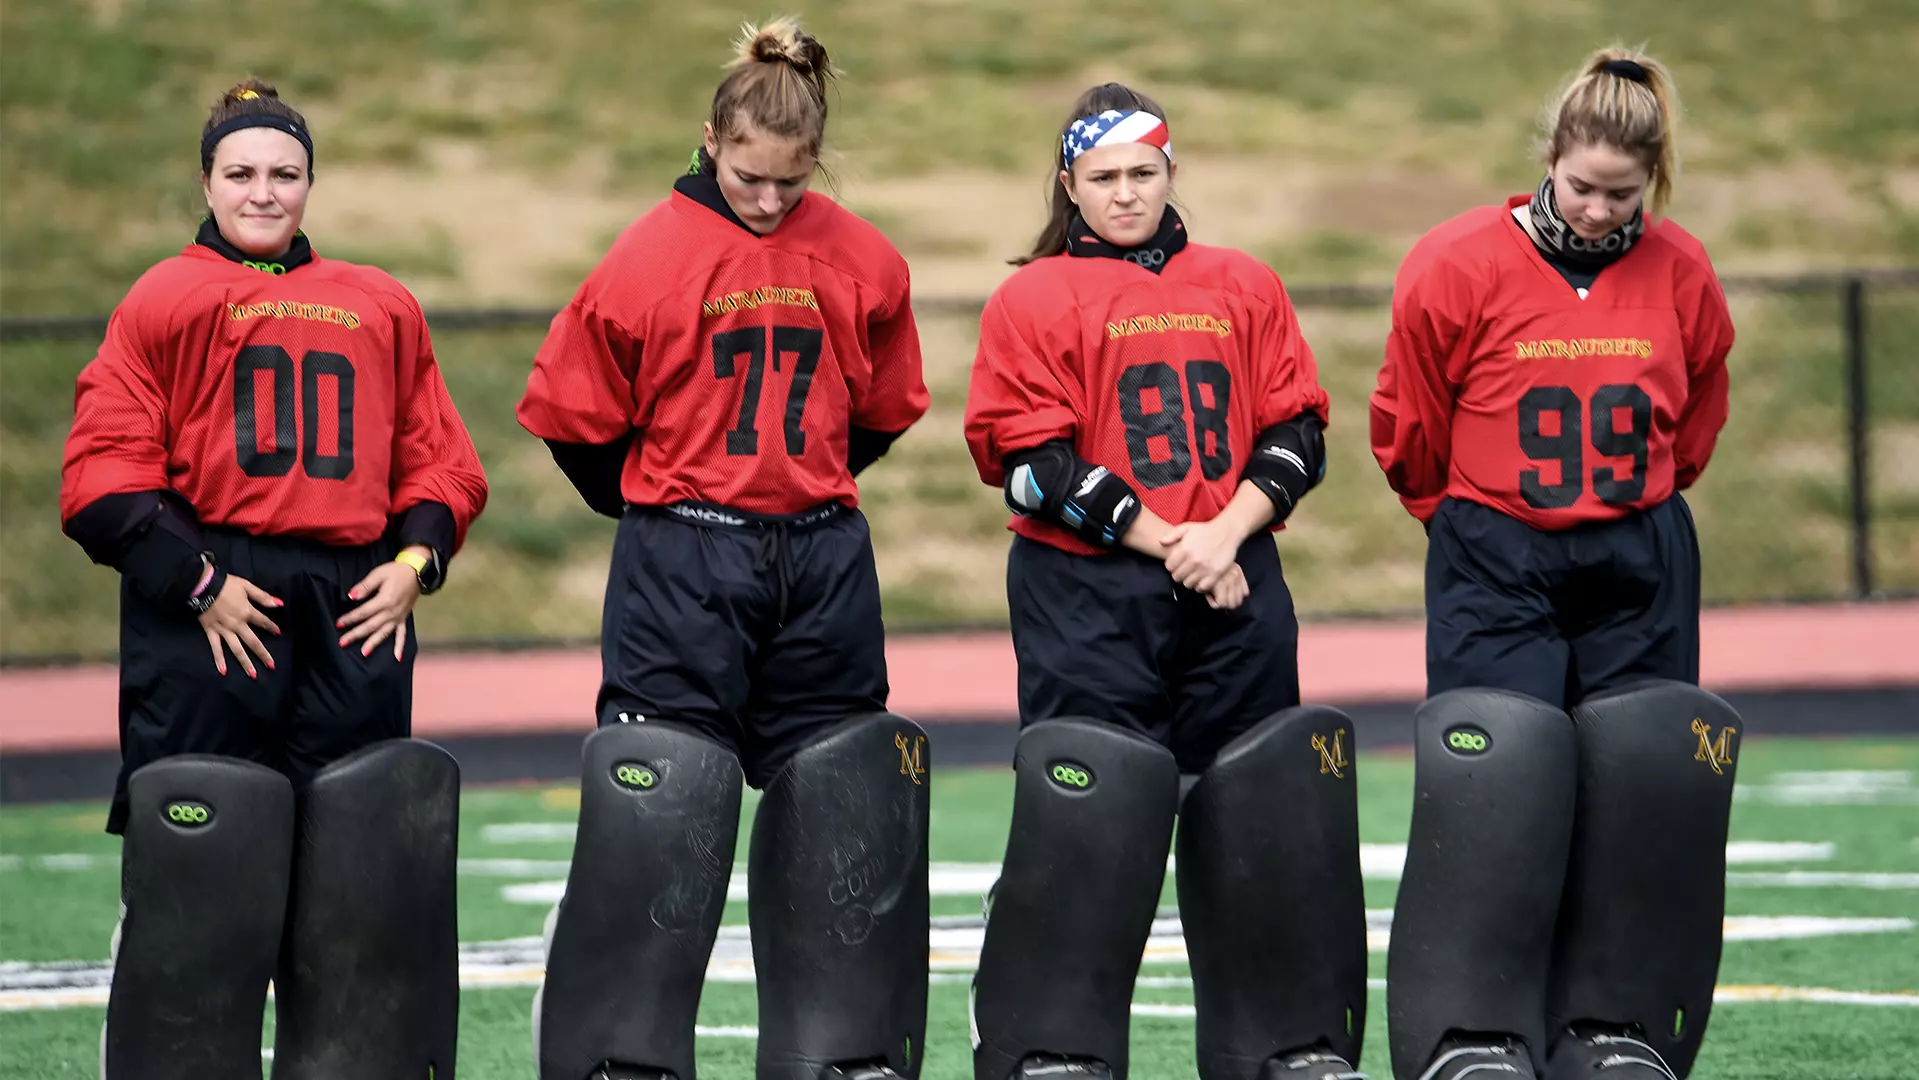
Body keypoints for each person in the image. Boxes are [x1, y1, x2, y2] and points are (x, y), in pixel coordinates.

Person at [516, 17, 933, 1080]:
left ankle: (836, 1057)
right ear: (710, 138)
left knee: (842, 796)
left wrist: (792, 494)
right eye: (747, 177)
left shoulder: (863, 256)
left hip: (822, 556)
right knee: (659, 796)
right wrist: (667, 507)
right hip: (684, 562)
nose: (765, 201)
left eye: (789, 185)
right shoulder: (646, 255)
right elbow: (571, 415)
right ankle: (620, 1056)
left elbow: (880, 411)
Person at [60, 78, 486, 1077]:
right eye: (241, 173)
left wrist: (414, 566)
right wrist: (197, 583)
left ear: (311, 184)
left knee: (354, 876)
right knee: (199, 868)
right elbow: (100, 472)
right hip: (216, 605)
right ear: (206, 181)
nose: (263, 194)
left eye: (284, 174)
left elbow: (441, 460)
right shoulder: (164, 296)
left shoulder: (378, 302)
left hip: (351, 606)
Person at [962, 83, 1369, 1080]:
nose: (1125, 195)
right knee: (1085, 822)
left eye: (1142, 174)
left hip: (1232, 581)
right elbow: (1030, 463)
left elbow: (1299, 433)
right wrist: (1176, 544)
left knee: (1257, 822)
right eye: (1102, 178)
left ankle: (1276, 1046)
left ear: (1170, 173)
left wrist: (1221, 537)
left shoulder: (1242, 282)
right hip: (1088, 595)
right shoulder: (1030, 296)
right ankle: (1051, 1047)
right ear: (1067, 183)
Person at [1369, 46, 1739, 1080]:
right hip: (1496, 552)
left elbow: (1698, 409)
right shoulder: (1453, 261)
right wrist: (1463, 519)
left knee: (1634, 796)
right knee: (1495, 792)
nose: (1593, 210)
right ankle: (1478, 1034)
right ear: (1548, 160)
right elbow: (1406, 420)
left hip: (1636, 556)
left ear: (1651, 184)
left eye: (1619, 194)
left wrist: (1636, 509)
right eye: (1579, 187)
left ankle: (1608, 1032)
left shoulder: (1681, 270)